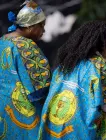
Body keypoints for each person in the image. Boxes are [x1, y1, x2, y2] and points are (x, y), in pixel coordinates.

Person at [38, 21, 106, 140]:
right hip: (80, 133)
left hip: (52, 129)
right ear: (104, 45)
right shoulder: (100, 66)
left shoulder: (65, 63)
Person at [0, 0, 51, 139]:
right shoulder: (26, 46)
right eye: (41, 25)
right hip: (22, 118)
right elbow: (40, 88)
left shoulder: (2, 41)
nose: (43, 30)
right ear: (30, 26)